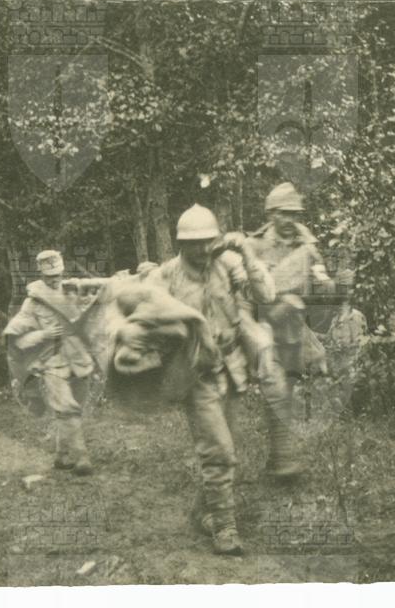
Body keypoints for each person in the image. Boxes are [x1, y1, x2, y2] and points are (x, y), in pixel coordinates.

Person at [145, 203, 276, 556]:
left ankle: (200, 512)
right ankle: (224, 525)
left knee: (225, 446)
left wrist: (246, 252)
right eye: (194, 243)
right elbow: (145, 319)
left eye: (208, 241)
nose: (203, 249)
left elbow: (266, 295)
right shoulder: (165, 277)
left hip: (231, 368)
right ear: (181, 244)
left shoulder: (228, 265)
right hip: (195, 373)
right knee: (219, 451)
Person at [244, 182, 336, 466]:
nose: (289, 220)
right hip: (263, 325)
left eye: (294, 214)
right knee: (275, 385)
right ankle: (284, 458)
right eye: (283, 213)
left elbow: (321, 285)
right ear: (270, 214)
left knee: (287, 387)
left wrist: (324, 286)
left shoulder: (307, 247)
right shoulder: (255, 246)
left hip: (294, 328)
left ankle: (278, 457)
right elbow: (244, 292)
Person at [4, 250, 95, 476]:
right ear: (41, 275)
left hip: (79, 359)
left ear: (62, 272)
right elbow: (15, 338)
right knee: (67, 407)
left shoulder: (73, 292)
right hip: (52, 362)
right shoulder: (32, 303)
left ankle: (62, 455)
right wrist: (43, 334)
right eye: (49, 276)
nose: (54, 280)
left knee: (75, 409)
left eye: (57, 275)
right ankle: (82, 457)